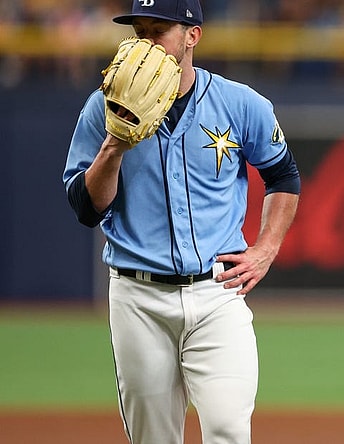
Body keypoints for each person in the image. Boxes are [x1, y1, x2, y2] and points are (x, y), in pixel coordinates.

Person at [62, 1, 300, 443]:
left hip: (217, 294)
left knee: (229, 429)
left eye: (159, 31)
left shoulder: (238, 102)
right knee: (153, 438)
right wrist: (113, 146)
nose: (146, 43)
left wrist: (267, 248)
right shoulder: (103, 107)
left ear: (192, 35)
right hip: (138, 297)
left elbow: (283, 175)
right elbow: (85, 209)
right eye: (140, 32)